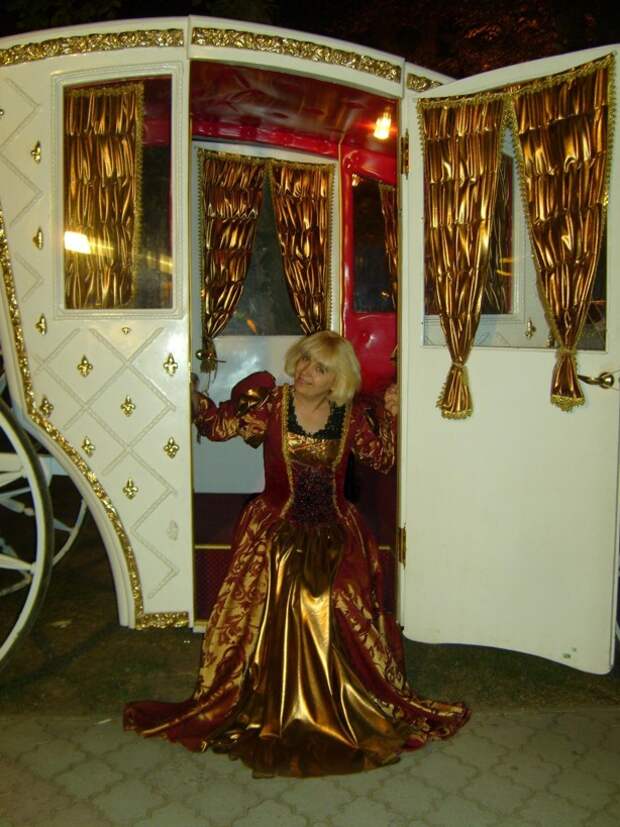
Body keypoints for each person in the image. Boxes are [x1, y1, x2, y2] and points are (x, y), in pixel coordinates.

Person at [124, 331, 469, 777]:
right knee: (287, 591)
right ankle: (270, 698)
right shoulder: (271, 403)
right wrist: (190, 399)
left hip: (334, 529)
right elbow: (220, 427)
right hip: (274, 526)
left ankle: (340, 700)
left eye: (320, 368)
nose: (306, 372)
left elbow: (382, 459)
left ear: (336, 380)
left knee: (335, 597)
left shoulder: (350, 415)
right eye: (304, 361)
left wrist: (393, 413)